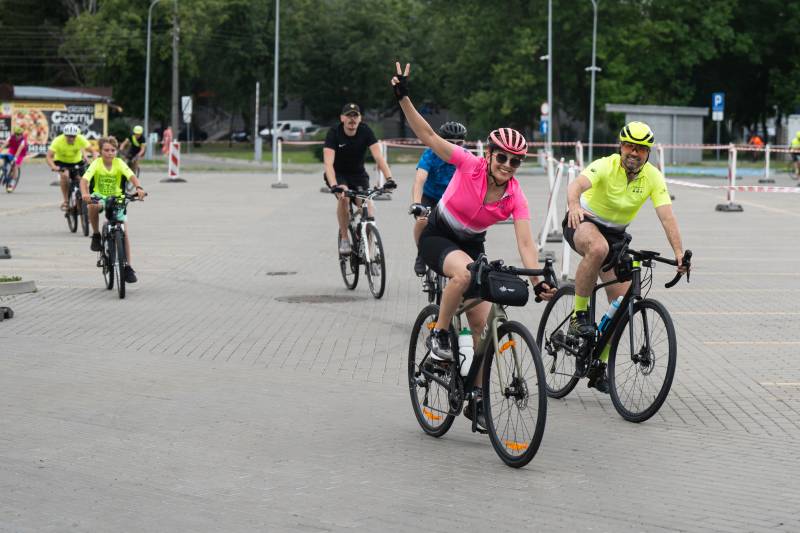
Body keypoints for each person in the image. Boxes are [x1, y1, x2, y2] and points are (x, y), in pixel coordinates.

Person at [392, 62, 555, 427]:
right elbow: (428, 135)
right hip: (438, 234)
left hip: (471, 244)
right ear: (489, 154)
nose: (508, 165)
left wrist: (537, 280)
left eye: (515, 161)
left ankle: (477, 397)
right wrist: (403, 97)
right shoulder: (468, 164)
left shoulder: (515, 195)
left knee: (483, 323)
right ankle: (439, 334)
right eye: (503, 157)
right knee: (463, 276)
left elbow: (526, 242)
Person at [563, 121, 688, 393]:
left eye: (641, 149)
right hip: (583, 221)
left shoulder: (653, 177)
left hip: (616, 236)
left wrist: (679, 253)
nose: (634, 152)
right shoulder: (606, 165)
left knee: (623, 305)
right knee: (598, 248)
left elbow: (667, 216)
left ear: (648, 153)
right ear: (621, 146)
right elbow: (577, 185)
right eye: (630, 146)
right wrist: (573, 205)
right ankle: (578, 315)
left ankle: (598, 365)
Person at [323, 103, 396, 255]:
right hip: (338, 175)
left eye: (355, 115)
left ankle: (368, 250)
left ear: (360, 118)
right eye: (349, 116)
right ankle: (344, 238)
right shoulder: (334, 133)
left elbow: (379, 158)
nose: (352, 119)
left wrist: (389, 179)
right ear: (342, 118)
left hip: (358, 175)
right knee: (344, 198)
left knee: (368, 210)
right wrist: (334, 185)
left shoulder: (365, 131)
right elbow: (328, 164)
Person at [79, 136, 146, 283]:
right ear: (100, 151)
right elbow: (84, 181)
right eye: (106, 150)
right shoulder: (96, 163)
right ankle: (96, 235)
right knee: (92, 205)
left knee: (124, 231)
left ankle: (127, 266)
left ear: (116, 151)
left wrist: (139, 188)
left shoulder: (119, 163)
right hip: (99, 196)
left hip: (117, 197)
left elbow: (131, 176)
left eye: (113, 150)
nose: (110, 153)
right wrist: (85, 194)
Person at [409, 121, 467, 275]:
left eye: (459, 143)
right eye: (450, 143)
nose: (455, 147)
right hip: (430, 197)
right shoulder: (431, 154)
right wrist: (416, 203)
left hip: (451, 199)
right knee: (422, 221)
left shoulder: (466, 156)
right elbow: (419, 180)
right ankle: (422, 254)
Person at [46, 124, 92, 210]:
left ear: (76, 135)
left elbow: (92, 150)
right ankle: (66, 201)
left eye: (73, 136)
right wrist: (53, 166)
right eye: (69, 136)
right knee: (65, 176)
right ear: (65, 135)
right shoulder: (58, 141)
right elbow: (49, 156)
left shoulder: (80, 138)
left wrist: (95, 158)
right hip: (61, 162)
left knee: (84, 179)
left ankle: (85, 199)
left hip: (76, 162)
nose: (71, 138)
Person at [1, 126, 27, 190]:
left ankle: (12, 182)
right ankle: (2, 171)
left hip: (20, 153)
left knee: (15, 166)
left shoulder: (23, 140)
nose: (18, 136)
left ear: (22, 134)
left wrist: (15, 158)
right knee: (3, 159)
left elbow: (19, 150)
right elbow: (4, 145)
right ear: (14, 134)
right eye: (17, 134)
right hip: (12, 150)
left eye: (20, 134)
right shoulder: (11, 137)